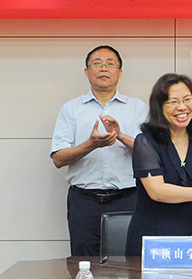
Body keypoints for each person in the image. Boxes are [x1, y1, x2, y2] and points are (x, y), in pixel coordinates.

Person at [51, 45, 148, 256]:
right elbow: (58, 158)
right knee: (84, 264)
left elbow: (152, 153)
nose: (103, 68)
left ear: (120, 72)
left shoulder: (138, 108)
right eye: (97, 63)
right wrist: (91, 144)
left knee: (129, 264)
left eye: (110, 64)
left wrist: (120, 136)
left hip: (128, 199)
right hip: (84, 202)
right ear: (87, 71)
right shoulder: (71, 109)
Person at [125, 74, 192, 256]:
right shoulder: (145, 142)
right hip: (151, 238)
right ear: (159, 106)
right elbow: (157, 191)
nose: (182, 107)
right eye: (173, 101)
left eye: (187, 99)